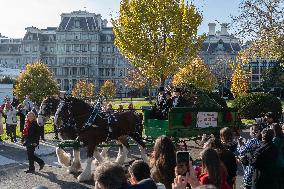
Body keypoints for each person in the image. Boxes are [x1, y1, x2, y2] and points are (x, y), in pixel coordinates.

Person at [237, 124, 262, 189]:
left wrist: (240, 144)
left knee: (248, 185)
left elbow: (241, 151)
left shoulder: (252, 141)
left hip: (251, 167)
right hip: (260, 168)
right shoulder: (263, 140)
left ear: (253, 131)